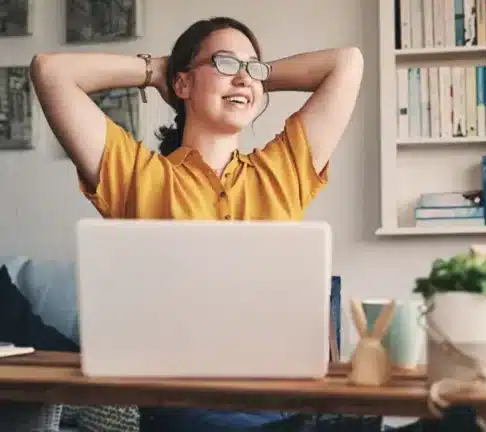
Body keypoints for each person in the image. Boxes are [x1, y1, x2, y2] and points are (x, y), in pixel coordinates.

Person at [29, 16, 363, 431]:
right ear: (182, 85)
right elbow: (51, 71)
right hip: (182, 407)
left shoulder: (284, 169)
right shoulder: (137, 176)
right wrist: (157, 72)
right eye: (224, 62)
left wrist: (250, 80)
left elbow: (347, 63)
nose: (242, 77)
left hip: (284, 404)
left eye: (252, 68)